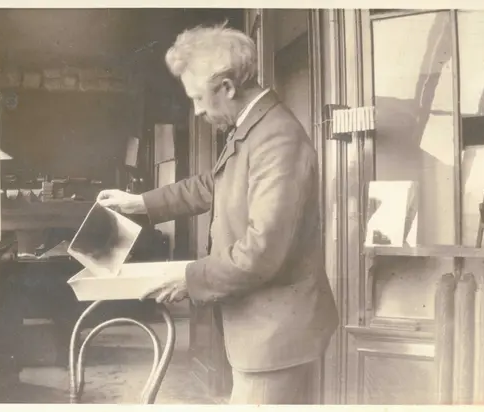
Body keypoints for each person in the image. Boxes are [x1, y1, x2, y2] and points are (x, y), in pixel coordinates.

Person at [97, 23, 339, 404]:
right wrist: (140, 203)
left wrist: (188, 277)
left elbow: (261, 251)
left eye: (198, 98)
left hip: (274, 338)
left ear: (227, 87)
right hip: (261, 329)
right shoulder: (254, 128)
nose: (196, 111)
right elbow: (214, 183)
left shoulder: (276, 138)